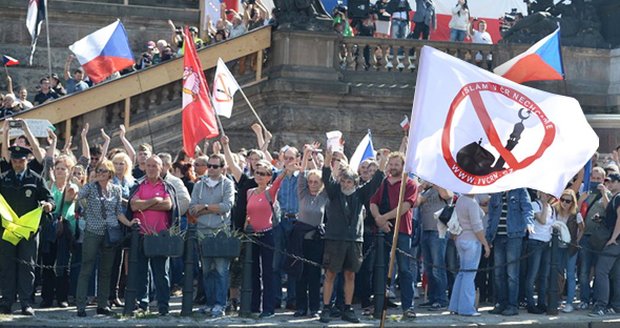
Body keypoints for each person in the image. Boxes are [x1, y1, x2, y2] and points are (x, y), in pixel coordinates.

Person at [319, 147, 386, 324]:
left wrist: (383, 160)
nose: (345, 185)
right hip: (334, 239)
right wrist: (328, 158)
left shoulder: (361, 194)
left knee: (350, 275)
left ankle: (348, 308)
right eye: (343, 181)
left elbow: (377, 180)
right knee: (331, 274)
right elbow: (326, 176)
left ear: (355, 183)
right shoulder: (334, 193)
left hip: (354, 240)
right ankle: (326, 307)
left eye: (349, 182)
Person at [75, 160, 136, 317]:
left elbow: (118, 212)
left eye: (103, 171)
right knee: (87, 268)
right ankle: (80, 305)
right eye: (98, 170)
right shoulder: (91, 187)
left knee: (106, 270)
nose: (100, 173)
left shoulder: (116, 190)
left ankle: (103, 304)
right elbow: (78, 196)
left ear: (110, 173)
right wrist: (89, 182)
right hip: (93, 231)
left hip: (110, 232)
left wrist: (129, 223)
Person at [0, 146, 54, 316]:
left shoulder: (36, 179)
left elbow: (49, 198)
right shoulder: (3, 178)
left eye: (21, 161)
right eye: (14, 161)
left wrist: (48, 205)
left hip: (29, 232)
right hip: (8, 230)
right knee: (7, 266)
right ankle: (6, 301)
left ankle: (26, 303)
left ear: (27, 160)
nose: (17, 164)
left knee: (27, 267)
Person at [369, 152, 418, 319]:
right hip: (384, 232)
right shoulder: (382, 183)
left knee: (404, 269)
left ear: (403, 166)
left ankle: (408, 307)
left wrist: (384, 218)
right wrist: (379, 219)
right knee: (380, 268)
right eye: (391, 164)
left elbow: (405, 207)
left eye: (397, 164)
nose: (393, 167)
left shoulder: (410, 184)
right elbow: (373, 203)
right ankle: (379, 306)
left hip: (402, 231)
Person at [128, 155, 178, 316]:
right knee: (141, 272)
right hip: (141, 234)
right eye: (148, 165)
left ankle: (163, 305)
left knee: (161, 273)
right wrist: (155, 200)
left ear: (161, 167)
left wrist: (146, 203)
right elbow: (134, 205)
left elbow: (168, 205)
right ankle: (143, 304)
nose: (151, 168)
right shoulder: (138, 185)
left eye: (154, 166)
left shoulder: (166, 186)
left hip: (160, 236)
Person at [189, 153, 235, 317]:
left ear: (222, 168)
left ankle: (220, 304)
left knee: (221, 270)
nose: (211, 169)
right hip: (202, 231)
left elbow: (226, 206)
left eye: (215, 166)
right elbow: (193, 208)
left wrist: (205, 206)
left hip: (220, 232)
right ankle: (209, 303)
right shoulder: (198, 185)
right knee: (206, 270)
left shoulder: (228, 184)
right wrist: (206, 208)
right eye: (209, 165)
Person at [291, 145, 328, 317]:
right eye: (311, 181)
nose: (313, 184)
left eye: (316, 182)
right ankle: (300, 307)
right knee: (300, 275)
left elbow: (328, 177)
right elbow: (302, 175)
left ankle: (314, 308)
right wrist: (306, 155)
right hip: (300, 241)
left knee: (314, 276)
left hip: (316, 241)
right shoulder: (303, 194)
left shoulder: (324, 196)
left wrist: (325, 157)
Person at [245, 159, 284, 318]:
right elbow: (248, 214)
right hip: (252, 235)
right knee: (253, 272)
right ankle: (254, 306)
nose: (259, 176)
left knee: (268, 272)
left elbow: (280, 179)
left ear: (269, 177)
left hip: (267, 234)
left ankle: (268, 308)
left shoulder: (270, 191)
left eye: (262, 174)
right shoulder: (250, 192)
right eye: (257, 173)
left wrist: (287, 168)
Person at [486, 188, 533, 316]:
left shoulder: (520, 191)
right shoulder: (496, 191)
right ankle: (501, 303)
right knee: (498, 273)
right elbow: (491, 215)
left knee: (512, 274)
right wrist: (488, 237)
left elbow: (527, 209)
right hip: (498, 236)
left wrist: (529, 224)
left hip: (514, 236)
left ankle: (512, 305)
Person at [40, 155, 79, 309]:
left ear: (69, 171)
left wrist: (73, 184)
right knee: (47, 263)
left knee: (63, 264)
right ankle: (47, 297)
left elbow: (70, 197)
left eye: (63, 168)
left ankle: (62, 297)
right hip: (50, 228)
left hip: (65, 229)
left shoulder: (72, 187)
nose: (60, 171)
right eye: (58, 168)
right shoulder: (48, 185)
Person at [449, 193, 490, 316]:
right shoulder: (471, 202)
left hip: (460, 238)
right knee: (469, 275)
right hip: (472, 240)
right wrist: (485, 244)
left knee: (462, 273)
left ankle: (455, 306)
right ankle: (467, 309)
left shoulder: (461, 199)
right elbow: (477, 227)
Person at [577, 166, 610, 309]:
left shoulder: (607, 194)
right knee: (584, 271)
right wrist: (580, 200)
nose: (596, 181)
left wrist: (604, 194)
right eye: (593, 178)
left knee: (598, 271)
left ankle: (596, 299)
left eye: (599, 178)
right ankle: (584, 299)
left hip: (599, 238)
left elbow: (610, 212)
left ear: (603, 179)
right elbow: (574, 212)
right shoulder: (585, 192)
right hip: (585, 236)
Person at [417, 182, 453, 310]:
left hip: (438, 231)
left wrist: (436, 182)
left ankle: (441, 299)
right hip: (425, 230)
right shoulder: (427, 190)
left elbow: (446, 195)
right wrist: (419, 188)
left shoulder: (444, 185)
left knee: (438, 267)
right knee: (429, 268)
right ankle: (432, 298)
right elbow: (416, 202)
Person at [590, 172, 620, 317]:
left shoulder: (619, 197)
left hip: (615, 241)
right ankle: (615, 306)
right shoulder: (615, 198)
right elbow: (611, 210)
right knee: (616, 273)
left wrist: (613, 237)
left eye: (613, 181)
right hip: (617, 242)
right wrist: (604, 193)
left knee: (601, 271)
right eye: (608, 181)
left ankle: (601, 306)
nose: (610, 183)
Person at [525, 192, 554, 314]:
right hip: (535, 242)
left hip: (547, 243)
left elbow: (552, 225)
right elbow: (542, 220)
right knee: (533, 274)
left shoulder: (552, 208)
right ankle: (530, 303)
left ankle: (542, 302)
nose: (546, 195)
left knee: (544, 275)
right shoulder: (534, 204)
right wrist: (544, 205)